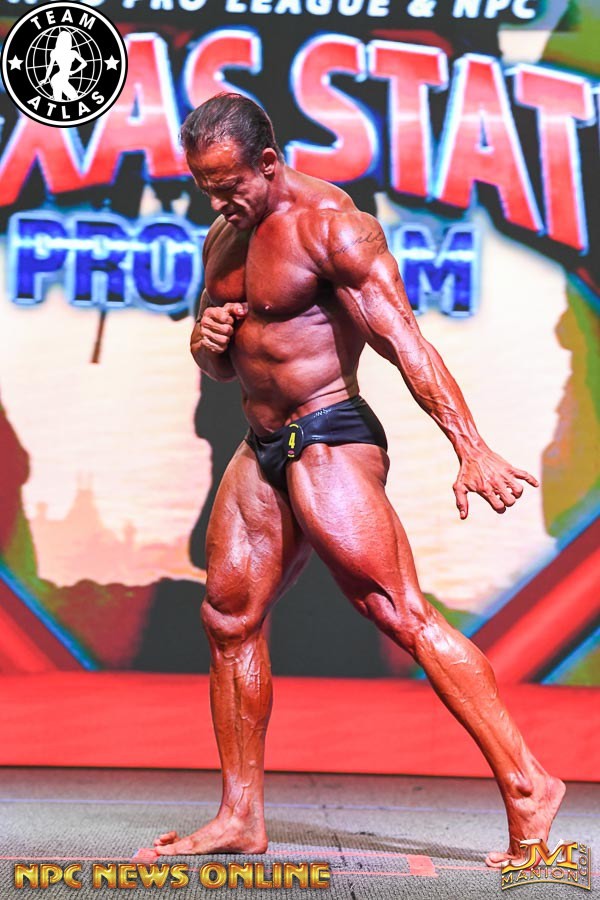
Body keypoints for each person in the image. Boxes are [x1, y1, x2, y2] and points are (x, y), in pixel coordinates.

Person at [144, 93, 564, 867]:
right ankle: (240, 816)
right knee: (228, 618)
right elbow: (221, 359)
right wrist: (206, 341)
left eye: (229, 184)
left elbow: (406, 341)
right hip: (262, 443)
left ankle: (529, 783)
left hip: (329, 433)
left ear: (268, 162)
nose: (219, 201)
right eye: (205, 187)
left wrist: (469, 446)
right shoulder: (224, 236)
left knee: (397, 611)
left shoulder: (333, 227)